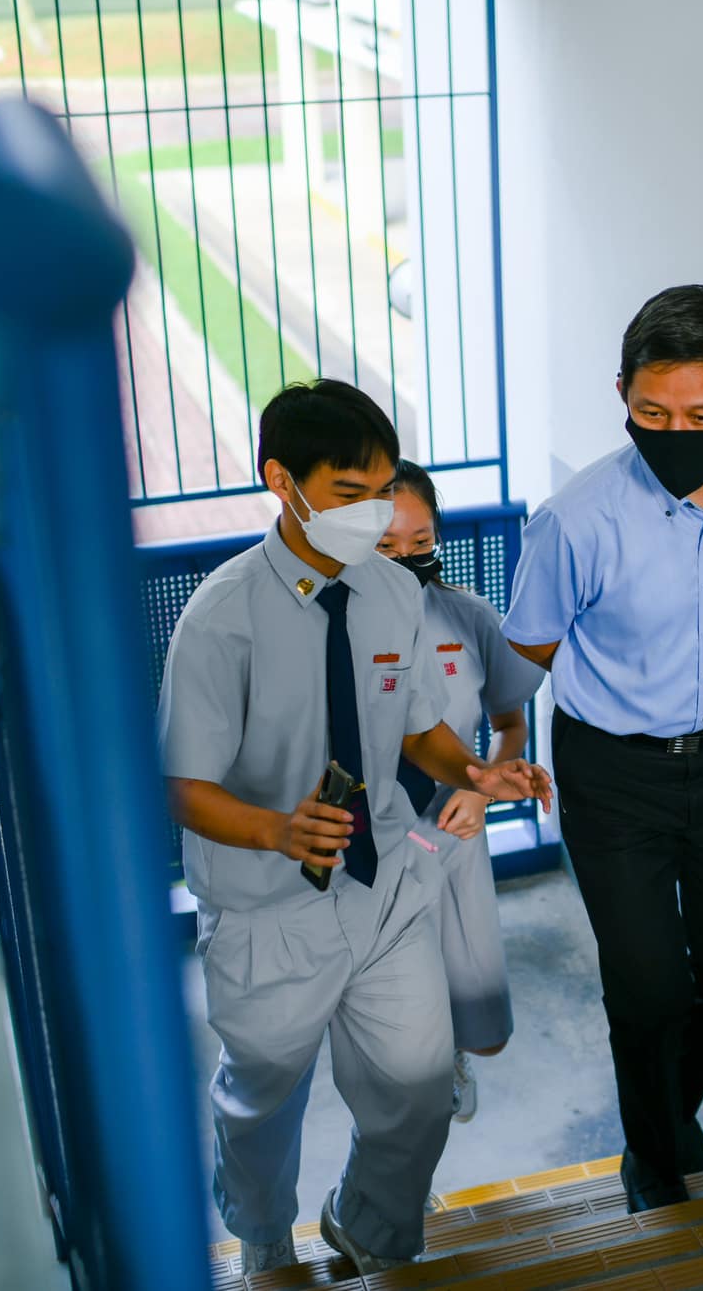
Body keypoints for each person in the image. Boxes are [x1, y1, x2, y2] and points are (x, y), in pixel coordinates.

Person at [158, 381, 552, 1277]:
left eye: (381, 491)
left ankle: (365, 1225)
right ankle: (263, 1245)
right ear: (282, 482)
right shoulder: (220, 622)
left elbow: (415, 725)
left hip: (383, 892)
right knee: (262, 1100)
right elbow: (184, 786)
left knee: (419, 1088)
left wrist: (475, 770)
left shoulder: (390, 595)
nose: (371, 516)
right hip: (270, 910)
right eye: (348, 495)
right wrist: (275, 831)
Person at [501, 284, 703, 1212]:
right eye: (650, 412)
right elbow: (524, 653)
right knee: (647, 992)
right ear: (621, 394)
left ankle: (664, 1108)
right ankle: (654, 1158)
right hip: (613, 775)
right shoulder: (575, 519)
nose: (672, 431)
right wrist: (498, 749)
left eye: (699, 415)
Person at [376, 459, 547, 1123]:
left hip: (452, 834)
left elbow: (511, 725)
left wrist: (478, 790)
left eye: (420, 544)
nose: (405, 558)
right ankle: (393, 1174)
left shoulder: (468, 618)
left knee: (485, 1026)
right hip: (374, 847)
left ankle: (452, 1056)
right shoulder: (324, 629)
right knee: (391, 1025)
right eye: (386, 547)